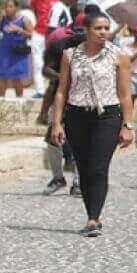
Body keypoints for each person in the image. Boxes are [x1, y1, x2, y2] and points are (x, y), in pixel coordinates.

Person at [50, 12, 134, 237]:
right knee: (84, 167)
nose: (103, 32)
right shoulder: (70, 55)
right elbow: (61, 91)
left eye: (106, 28)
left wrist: (128, 125)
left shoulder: (118, 56)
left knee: (98, 167)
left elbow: (125, 95)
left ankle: (93, 218)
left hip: (107, 116)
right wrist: (56, 123)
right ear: (86, 30)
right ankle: (91, 212)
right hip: (77, 115)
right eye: (98, 28)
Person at [41, 26, 83, 197]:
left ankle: (79, 182)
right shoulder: (60, 46)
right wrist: (62, 77)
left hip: (84, 100)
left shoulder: (99, 49)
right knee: (53, 138)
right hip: (61, 96)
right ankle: (58, 178)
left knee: (81, 141)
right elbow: (47, 69)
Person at [29, 0, 60, 97]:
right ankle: (40, 90)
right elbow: (36, 14)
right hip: (39, 33)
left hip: (53, 35)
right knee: (37, 62)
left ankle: (54, 88)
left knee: (54, 62)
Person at [0, 0, 33, 98]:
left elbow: (31, 35)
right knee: (2, 76)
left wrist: (19, 30)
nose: (7, 9)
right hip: (5, 51)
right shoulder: (3, 19)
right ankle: (2, 100)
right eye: (6, 7)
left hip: (18, 51)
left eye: (10, 6)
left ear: (16, 8)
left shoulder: (23, 19)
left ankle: (19, 99)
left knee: (17, 77)